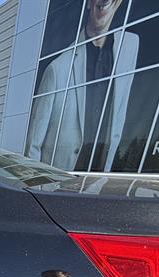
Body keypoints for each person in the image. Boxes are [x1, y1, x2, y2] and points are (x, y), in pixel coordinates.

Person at [26, 0, 138, 171]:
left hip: (100, 177)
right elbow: (34, 144)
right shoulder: (58, 68)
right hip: (61, 182)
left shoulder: (130, 47)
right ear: (88, 3)